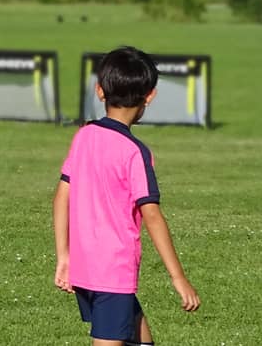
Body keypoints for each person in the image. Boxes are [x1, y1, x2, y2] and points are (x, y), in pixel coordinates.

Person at [52, 46, 201, 346]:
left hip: (85, 266)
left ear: (99, 91)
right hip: (112, 271)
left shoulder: (84, 136)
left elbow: (61, 197)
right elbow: (152, 215)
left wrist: (64, 256)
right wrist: (178, 277)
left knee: (136, 331)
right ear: (150, 96)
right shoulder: (135, 153)